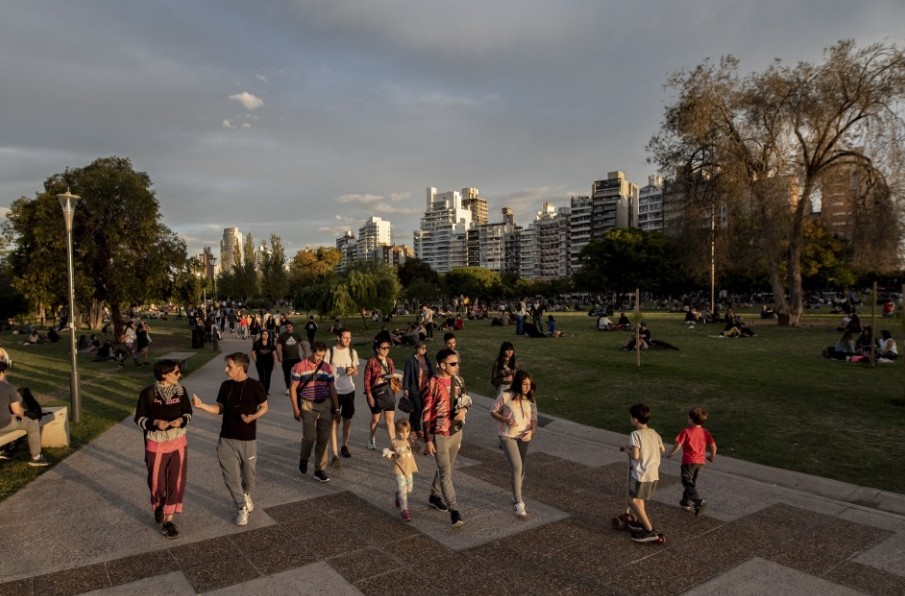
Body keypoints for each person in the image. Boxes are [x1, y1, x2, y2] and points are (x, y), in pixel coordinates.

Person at [192, 353, 268, 526]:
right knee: (231, 478)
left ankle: (246, 494)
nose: (226, 369)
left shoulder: (255, 386)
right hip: (226, 439)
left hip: (248, 440)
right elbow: (219, 409)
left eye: (229, 366)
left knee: (249, 476)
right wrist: (202, 406)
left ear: (240, 368)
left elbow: (264, 407)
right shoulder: (225, 386)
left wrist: (253, 417)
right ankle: (241, 507)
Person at [134, 359, 193, 539]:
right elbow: (139, 418)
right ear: (164, 374)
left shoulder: (181, 391)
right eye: (176, 372)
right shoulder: (148, 393)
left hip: (178, 441)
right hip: (156, 443)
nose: (179, 375)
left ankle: (168, 521)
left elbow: (188, 413)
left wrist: (181, 420)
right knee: (156, 482)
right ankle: (159, 504)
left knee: (176, 481)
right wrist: (155, 423)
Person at [423, 348, 470, 527]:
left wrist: (463, 410)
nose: (457, 366)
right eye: (453, 363)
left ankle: (434, 495)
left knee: (446, 468)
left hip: (456, 431)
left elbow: (466, 399)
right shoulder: (432, 384)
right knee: (445, 472)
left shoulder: (459, 380)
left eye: (457, 363)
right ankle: (454, 510)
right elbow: (426, 413)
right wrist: (428, 440)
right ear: (442, 365)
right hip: (440, 434)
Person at [290, 341, 340, 483]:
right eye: (317, 355)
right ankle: (304, 458)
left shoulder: (327, 367)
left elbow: (332, 388)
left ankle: (319, 470)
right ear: (311, 351)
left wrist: (336, 408)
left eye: (322, 356)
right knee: (310, 437)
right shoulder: (300, 367)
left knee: (323, 439)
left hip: (325, 405)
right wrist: (295, 408)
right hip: (307, 405)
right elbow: (293, 388)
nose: (319, 359)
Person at [489, 370, 537, 518]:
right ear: (517, 383)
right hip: (507, 435)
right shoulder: (506, 395)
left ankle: (516, 494)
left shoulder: (531, 398)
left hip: (524, 436)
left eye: (529, 384)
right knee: (517, 467)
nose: (527, 387)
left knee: (522, 468)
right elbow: (493, 411)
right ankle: (518, 502)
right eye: (524, 384)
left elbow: (534, 419)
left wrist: (532, 432)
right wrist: (506, 420)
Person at [624, 403, 664, 543]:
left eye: (630, 417)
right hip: (653, 473)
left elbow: (635, 455)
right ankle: (641, 522)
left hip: (640, 474)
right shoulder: (654, 433)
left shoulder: (635, 434)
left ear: (635, 419)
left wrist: (628, 450)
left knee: (632, 500)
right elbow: (662, 449)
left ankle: (649, 530)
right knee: (639, 500)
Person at [666, 406, 716, 516]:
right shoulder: (705, 432)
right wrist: (712, 456)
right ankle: (685, 502)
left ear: (691, 419)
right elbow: (713, 445)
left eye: (688, 417)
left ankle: (698, 501)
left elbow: (678, 444)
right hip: (700, 462)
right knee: (691, 482)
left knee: (686, 482)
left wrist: (671, 453)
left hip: (688, 462)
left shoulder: (686, 431)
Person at [0, 361, 50, 466]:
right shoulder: (8, 388)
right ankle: (36, 458)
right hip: (3, 424)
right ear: (2, 372)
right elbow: (17, 411)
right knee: (32, 424)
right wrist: (26, 414)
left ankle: (4, 449)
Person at [326, 328, 360, 463]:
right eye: (345, 337)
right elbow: (324, 370)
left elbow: (356, 371)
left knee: (347, 420)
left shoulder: (352, 352)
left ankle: (344, 445)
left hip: (349, 390)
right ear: (338, 337)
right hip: (334, 391)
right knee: (334, 421)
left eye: (349, 338)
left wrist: (352, 371)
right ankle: (334, 452)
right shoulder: (330, 352)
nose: (348, 340)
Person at [364, 340, 397, 450]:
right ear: (377, 349)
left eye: (388, 347)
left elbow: (393, 375)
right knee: (376, 420)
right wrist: (369, 396)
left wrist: (394, 378)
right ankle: (371, 437)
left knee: (390, 420)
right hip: (376, 393)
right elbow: (367, 381)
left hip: (388, 392)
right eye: (384, 348)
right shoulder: (371, 362)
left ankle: (393, 445)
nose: (386, 350)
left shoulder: (390, 361)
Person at [383, 419, 419, 522]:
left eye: (407, 432)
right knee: (403, 490)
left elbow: (417, 448)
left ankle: (398, 494)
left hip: (409, 468)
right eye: (401, 432)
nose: (404, 434)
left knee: (409, 489)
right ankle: (404, 510)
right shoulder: (394, 442)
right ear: (396, 431)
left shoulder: (410, 440)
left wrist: (415, 441)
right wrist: (388, 455)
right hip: (398, 469)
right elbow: (390, 453)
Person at [402, 340, 433, 439]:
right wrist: (405, 388)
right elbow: (407, 375)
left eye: (425, 348)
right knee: (417, 408)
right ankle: (411, 429)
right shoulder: (411, 361)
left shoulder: (427, 360)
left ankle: (417, 428)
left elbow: (431, 373)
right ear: (417, 349)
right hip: (414, 388)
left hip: (424, 389)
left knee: (419, 409)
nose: (424, 350)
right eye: (422, 348)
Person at [277, 321, 308, 397]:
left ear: (292, 327)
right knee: (287, 374)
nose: (288, 328)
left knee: (300, 373)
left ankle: (300, 387)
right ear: (285, 328)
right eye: (286, 327)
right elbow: (279, 346)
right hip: (286, 359)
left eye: (289, 327)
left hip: (296, 358)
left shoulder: (296, 335)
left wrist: (305, 352)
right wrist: (280, 355)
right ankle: (288, 388)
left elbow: (302, 344)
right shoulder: (282, 336)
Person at [251, 330, 276, 395]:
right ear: (261, 335)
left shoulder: (271, 343)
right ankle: (261, 390)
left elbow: (274, 353)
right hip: (260, 362)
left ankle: (266, 390)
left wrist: (275, 363)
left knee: (268, 377)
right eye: (264, 334)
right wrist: (256, 360)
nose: (265, 336)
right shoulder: (257, 343)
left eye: (266, 334)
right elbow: (253, 352)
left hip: (269, 362)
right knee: (261, 377)